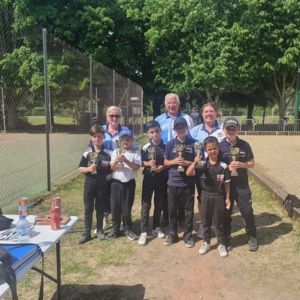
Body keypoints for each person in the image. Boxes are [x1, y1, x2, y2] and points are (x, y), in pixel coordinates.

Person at [88, 106, 137, 233]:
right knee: (104, 196)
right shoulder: (101, 130)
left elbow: (134, 147)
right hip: (103, 170)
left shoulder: (125, 131)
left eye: (117, 116)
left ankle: (120, 221)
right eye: (111, 116)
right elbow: (90, 147)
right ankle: (105, 221)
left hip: (118, 170)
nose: (114, 118)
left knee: (118, 197)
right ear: (107, 117)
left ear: (121, 117)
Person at [187, 136, 230, 258]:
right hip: (205, 196)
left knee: (218, 221)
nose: (213, 151)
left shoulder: (223, 165)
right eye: (210, 149)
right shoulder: (202, 165)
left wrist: (227, 197)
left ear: (218, 148)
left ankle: (221, 244)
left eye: (215, 148)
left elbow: (227, 183)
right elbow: (188, 173)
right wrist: (195, 163)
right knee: (206, 221)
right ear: (205, 150)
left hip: (218, 196)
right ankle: (206, 242)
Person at [219, 117, 258, 251]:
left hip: (242, 185)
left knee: (247, 211)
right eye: (228, 128)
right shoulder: (219, 146)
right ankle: (227, 236)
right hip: (226, 186)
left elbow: (252, 163)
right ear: (223, 130)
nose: (231, 131)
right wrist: (226, 168)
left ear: (238, 130)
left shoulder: (245, 145)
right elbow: (215, 165)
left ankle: (252, 235)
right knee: (226, 212)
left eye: (233, 128)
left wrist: (241, 164)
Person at [155, 93, 194, 227]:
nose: (172, 105)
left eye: (174, 103)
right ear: (165, 105)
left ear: (179, 104)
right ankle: (166, 216)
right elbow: (154, 138)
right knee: (167, 190)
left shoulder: (186, 118)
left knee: (183, 187)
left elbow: (192, 135)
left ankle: (182, 216)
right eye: (169, 103)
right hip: (165, 157)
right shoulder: (159, 119)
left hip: (183, 158)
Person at [163, 117, 196, 248]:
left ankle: (188, 236)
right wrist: (174, 162)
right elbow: (165, 162)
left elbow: (197, 162)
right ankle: (172, 234)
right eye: (178, 128)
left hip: (188, 182)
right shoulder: (170, 144)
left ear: (187, 128)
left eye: (183, 127)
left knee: (188, 211)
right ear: (174, 129)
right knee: (172, 210)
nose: (181, 130)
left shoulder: (194, 144)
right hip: (173, 182)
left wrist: (187, 163)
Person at [77, 125, 112, 244]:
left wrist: (109, 176)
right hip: (90, 183)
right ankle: (86, 233)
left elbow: (114, 168)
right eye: (95, 137)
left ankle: (100, 230)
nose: (97, 139)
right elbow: (81, 169)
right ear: (91, 138)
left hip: (102, 184)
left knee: (100, 208)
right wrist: (89, 169)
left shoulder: (108, 153)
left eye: (100, 137)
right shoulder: (87, 154)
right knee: (88, 208)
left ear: (104, 137)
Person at [105, 130, 142, 241]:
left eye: (128, 139)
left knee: (126, 207)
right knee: (115, 206)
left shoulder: (135, 152)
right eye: (123, 140)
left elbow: (136, 167)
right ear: (119, 141)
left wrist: (125, 160)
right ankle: (115, 229)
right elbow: (111, 168)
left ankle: (127, 228)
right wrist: (117, 160)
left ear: (132, 140)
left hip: (129, 183)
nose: (125, 142)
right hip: (116, 183)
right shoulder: (116, 151)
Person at [138, 120, 168, 245]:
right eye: (152, 132)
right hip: (149, 178)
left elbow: (168, 162)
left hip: (162, 178)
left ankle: (156, 227)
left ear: (160, 130)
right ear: (147, 133)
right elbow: (140, 163)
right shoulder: (145, 147)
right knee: (146, 204)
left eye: (157, 131)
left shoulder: (166, 146)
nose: (155, 134)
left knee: (159, 203)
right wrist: (147, 163)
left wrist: (163, 167)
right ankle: (144, 231)